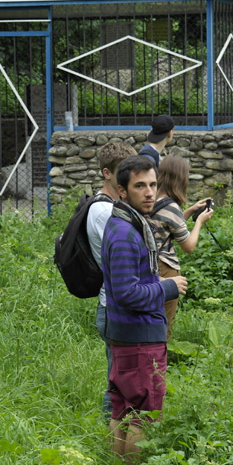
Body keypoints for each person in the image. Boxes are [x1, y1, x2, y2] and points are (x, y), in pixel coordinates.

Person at [101, 154, 187, 464]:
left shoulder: (127, 222)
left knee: (122, 410)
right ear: (122, 191)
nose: (149, 192)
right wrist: (168, 286)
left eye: (153, 184)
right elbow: (126, 293)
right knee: (143, 416)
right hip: (139, 340)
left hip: (127, 337)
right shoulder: (125, 232)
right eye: (140, 186)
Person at [85, 141, 136, 420]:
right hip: (115, 306)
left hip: (116, 302)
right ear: (107, 173)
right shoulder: (105, 212)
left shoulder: (115, 206)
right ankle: (110, 439)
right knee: (117, 382)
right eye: (123, 172)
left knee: (123, 378)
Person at [148, 155, 213, 339]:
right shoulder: (171, 207)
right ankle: (160, 362)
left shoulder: (155, 199)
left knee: (151, 317)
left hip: (151, 264)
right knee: (164, 323)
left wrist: (190, 210)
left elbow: (167, 227)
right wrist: (199, 221)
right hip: (166, 268)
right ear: (180, 178)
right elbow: (189, 246)